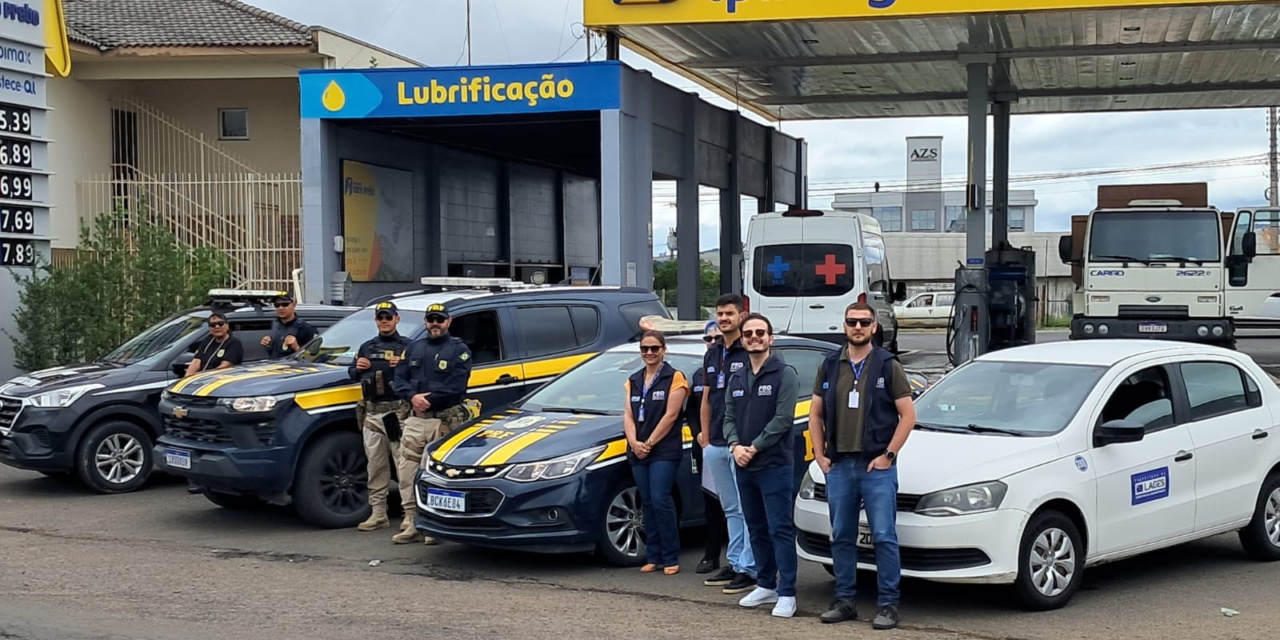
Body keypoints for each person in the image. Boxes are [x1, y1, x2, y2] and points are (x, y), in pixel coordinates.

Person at [807, 302, 917, 630]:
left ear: (873, 327)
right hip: (840, 465)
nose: (858, 327)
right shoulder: (830, 365)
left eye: (864, 322)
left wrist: (889, 456)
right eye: (852, 322)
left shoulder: (887, 365)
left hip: (875, 467)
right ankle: (844, 600)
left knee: (883, 535)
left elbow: (908, 416)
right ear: (844, 326)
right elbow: (815, 413)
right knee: (841, 535)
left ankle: (888, 605)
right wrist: (819, 455)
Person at [723, 312, 800, 618]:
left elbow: (783, 419)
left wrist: (753, 447)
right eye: (748, 334)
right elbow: (728, 417)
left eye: (760, 333)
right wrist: (735, 446)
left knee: (780, 528)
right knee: (756, 527)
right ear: (742, 340)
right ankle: (766, 584)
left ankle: (787, 592)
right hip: (744, 465)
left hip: (774, 465)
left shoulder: (784, 374)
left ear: (770, 338)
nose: (754, 337)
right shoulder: (737, 377)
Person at [391, 302, 474, 545]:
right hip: (416, 420)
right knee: (407, 472)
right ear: (425, 322)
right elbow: (399, 378)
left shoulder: (459, 350)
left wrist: (429, 400)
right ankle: (411, 522)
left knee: (437, 476)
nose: (435, 323)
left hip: (443, 420)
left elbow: (457, 385)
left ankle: (434, 527)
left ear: (448, 322)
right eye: (431, 319)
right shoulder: (414, 347)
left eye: (439, 319)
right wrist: (412, 397)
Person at [698, 293, 757, 595]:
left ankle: (750, 567)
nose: (723, 319)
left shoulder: (749, 350)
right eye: (720, 314)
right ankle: (734, 562)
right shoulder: (713, 353)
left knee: (747, 508)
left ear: (741, 316)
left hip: (740, 443)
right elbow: (707, 398)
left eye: (729, 314)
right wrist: (705, 437)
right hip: (715, 443)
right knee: (730, 507)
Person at [623, 330, 690, 575]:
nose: (649, 353)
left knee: (661, 499)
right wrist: (634, 442)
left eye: (654, 348)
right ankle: (653, 555)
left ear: (664, 349)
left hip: (663, 449)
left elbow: (671, 415)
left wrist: (649, 443)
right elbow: (628, 415)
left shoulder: (675, 377)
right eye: (645, 349)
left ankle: (671, 556)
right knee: (647, 501)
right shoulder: (633, 380)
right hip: (638, 450)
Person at [348, 301, 412, 532]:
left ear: (397, 319)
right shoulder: (367, 347)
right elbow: (352, 374)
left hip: (397, 413)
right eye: (380, 318)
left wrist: (403, 364)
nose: (384, 321)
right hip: (372, 413)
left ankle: (410, 515)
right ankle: (378, 513)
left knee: (404, 466)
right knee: (375, 466)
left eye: (388, 317)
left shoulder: (408, 347)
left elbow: (419, 375)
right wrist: (358, 367)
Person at [692, 320, 728, 575]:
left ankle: (739, 560)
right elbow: (693, 409)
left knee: (738, 506)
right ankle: (711, 555)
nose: (713, 342)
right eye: (708, 339)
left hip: (732, 442)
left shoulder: (741, 361)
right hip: (707, 443)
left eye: (717, 338)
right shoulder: (700, 372)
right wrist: (699, 433)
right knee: (711, 501)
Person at [260, 292, 318, 360]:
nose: (281, 308)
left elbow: (314, 358)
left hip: (294, 366)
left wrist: (297, 347)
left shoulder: (306, 329)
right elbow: (274, 354)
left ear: (294, 304)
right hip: (276, 365)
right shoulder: (275, 326)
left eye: (285, 304)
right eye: (277, 305)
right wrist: (268, 345)